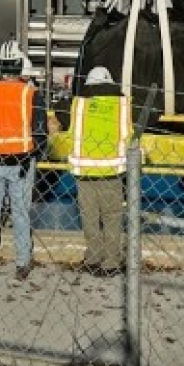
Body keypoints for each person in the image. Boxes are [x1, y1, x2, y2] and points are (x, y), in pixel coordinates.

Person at [0, 37, 49, 279]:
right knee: (21, 213)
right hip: (22, 164)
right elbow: (40, 132)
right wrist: (37, 154)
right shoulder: (30, 94)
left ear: (1, 65)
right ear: (19, 64)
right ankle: (22, 262)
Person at [68, 66, 131, 276]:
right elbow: (128, 135)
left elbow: (72, 133)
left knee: (89, 216)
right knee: (112, 216)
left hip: (84, 170)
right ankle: (111, 262)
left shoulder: (79, 104)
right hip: (111, 170)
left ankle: (93, 258)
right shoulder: (122, 105)